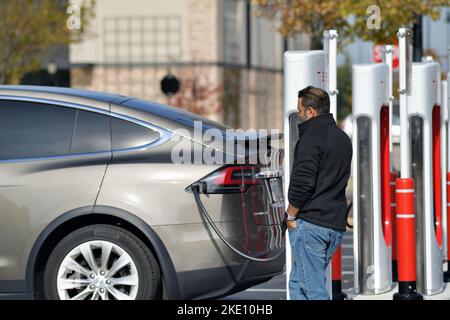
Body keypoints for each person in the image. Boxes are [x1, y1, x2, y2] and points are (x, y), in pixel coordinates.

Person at [285, 86, 352, 300]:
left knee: (313, 289)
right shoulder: (343, 139)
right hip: (334, 225)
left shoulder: (310, 139)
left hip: (312, 225)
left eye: (299, 110)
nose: (298, 115)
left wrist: (290, 214)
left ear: (311, 111)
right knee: (297, 283)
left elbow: (303, 183)